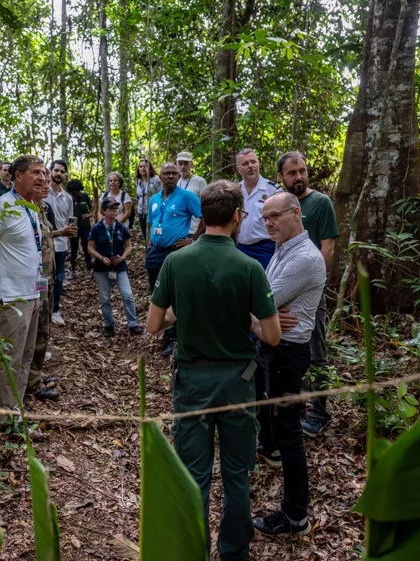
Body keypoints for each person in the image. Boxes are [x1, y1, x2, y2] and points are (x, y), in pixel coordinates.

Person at [146, 180, 281, 561]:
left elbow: (155, 324)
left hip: (192, 381)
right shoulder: (250, 267)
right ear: (238, 217)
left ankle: (193, 548)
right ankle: (234, 551)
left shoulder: (176, 262)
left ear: (202, 218)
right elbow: (272, 336)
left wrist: (183, 311)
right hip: (237, 382)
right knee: (237, 474)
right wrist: (252, 321)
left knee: (194, 473)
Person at [252, 191, 326, 538]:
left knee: (290, 434)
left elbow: (261, 300)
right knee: (272, 420)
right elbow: (261, 302)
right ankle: (266, 449)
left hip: (288, 353)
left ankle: (295, 516)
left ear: (296, 213)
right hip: (272, 347)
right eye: (265, 218)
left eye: (275, 216)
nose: (268, 224)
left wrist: (260, 313)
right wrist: (262, 316)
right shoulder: (283, 250)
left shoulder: (305, 259)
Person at [0, 155, 45, 412]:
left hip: (32, 294)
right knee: (9, 360)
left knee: (25, 356)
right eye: (35, 172)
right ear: (17, 176)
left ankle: (17, 408)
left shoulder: (30, 207)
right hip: (10, 298)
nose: (42, 177)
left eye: (43, 172)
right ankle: (9, 417)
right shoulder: (3, 207)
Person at [277, 151, 340, 437]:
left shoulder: (320, 203)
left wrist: (316, 284)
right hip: (286, 288)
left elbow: (328, 248)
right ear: (281, 177)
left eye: (302, 171)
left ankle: (320, 411)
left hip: (312, 291)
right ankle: (297, 406)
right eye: (292, 173)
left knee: (317, 351)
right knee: (291, 349)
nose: (299, 177)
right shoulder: (279, 205)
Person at [145, 162, 201, 357]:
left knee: (175, 294)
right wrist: (150, 245)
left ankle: (175, 338)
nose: (169, 176)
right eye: (166, 173)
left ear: (178, 176)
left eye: (173, 173)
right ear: (159, 177)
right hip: (155, 252)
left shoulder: (186, 197)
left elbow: (204, 217)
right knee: (157, 294)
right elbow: (151, 224)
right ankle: (163, 332)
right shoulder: (153, 199)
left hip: (175, 252)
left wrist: (193, 239)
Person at [27, 167, 62, 402]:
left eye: (48, 182)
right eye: (43, 182)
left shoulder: (43, 209)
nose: (47, 186)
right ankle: (29, 385)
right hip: (33, 282)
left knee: (43, 331)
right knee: (35, 333)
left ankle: (35, 378)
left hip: (46, 279)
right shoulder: (25, 210)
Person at [87, 199, 145, 337]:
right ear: (104, 211)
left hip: (119, 267)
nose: (114, 211)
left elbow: (129, 245)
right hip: (102, 268)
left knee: (128, 295)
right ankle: (109, 325)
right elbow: (89, 247)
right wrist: (101, 258)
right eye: (111, 208)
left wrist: (123, 257)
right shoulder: (96, 228)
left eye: (116, 208)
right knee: (105, 298)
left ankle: (132, 324)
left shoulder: (121, 227)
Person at [235, 148, 281, 269]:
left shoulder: (273, 190)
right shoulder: (235, 190)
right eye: (245, 164)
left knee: (264, 285)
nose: (250, 166)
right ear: (238, 170)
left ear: (258, 163)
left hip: (264, 248)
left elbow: (281, 221)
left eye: (253, 162)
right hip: (239, 248)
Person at [44, 160, 75, 326]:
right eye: (56, 170)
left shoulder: (68, 198)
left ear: (65, 175)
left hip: (61, 244)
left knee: (58, 278)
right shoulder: (42, 192)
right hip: (43, 244)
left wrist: (68, 244)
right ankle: (42, 309)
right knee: (42, 276)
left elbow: (70, 223)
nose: (59, 174)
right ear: (50, 172)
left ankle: (55, 310)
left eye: (62, 171)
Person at [175, 151, 207, 236]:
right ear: (176, 165)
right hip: (177, 229)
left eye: (186, 164)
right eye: (180, 164)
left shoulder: (200, 181)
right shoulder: (175, 182)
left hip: (193, 230)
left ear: (191, 165)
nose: (183, 167)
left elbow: (207, 206)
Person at [67, 178, 94, 279]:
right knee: (73, 248)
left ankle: (88, 270)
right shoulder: (68, 198)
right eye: (73, 192)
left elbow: (91, 208)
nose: (75, 193)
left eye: (77, 191)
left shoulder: (85, 196)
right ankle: (73, 270)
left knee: (86, 246)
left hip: (85, 224)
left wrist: (89, 215)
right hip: (73, 224)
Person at [135, 159, 162, 242]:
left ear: (150, 168)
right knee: (145, 234)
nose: (143, 168)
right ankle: (148, 250)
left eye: (145, 166)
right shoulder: (138, 181)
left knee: (156, 232)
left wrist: (154, 199)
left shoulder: (156, 180)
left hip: (155, 211)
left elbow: (163, 194)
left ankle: (157, 248)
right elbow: (138, 196)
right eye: (141, 166)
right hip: (141, 212)